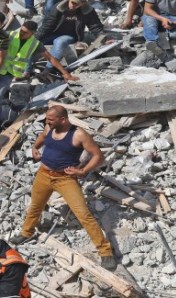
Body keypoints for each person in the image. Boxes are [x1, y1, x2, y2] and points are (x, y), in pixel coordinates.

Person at [11, 105, 116, 270]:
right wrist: (34, 148)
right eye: (47, 119)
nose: (47, 121)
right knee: (36, 206)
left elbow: (98, 155)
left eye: (51, 119)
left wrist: (82, 170)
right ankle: (26, 232)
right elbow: (42, 137)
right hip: (44, 174)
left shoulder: (78, 134)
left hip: (65, 179)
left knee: (84, 215)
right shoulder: (49, 127)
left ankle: (105, 251)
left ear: (63, 119)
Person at [37, 0, 105, 66]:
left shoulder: (88, 11)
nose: (73, 6)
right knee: (34, 43)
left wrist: (104, 39)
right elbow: (47, 26)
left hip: (71, 36)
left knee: (59, 41)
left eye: (76, 4)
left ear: (82, 4)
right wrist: (34, 38)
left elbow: (95, 27)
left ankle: (49, 67)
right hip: (53, 33)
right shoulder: (59, 7)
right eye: (72, 2)